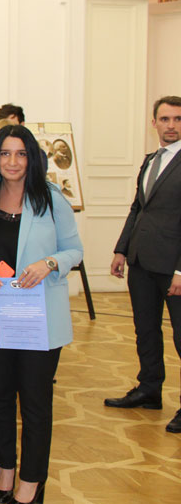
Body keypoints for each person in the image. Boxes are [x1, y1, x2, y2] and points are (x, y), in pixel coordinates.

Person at [0, 125, 82, 504]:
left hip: (40, 318)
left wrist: (49, 262)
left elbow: (74, 250)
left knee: (35, 401)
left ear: (32, 158)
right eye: (5, 154)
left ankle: (32, 479)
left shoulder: (50, 198)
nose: (13, 162)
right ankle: (6, 469)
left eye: (21, 154)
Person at [106, 95, 181, 435]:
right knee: (145, 330)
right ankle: (149, 389)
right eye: (165, 119)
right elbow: (138, 207)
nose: (171, 125)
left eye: (177, 119)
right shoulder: (152, 160)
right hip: (141, 261)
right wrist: (121, 249)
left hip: (174, 267)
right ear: (154, 123)